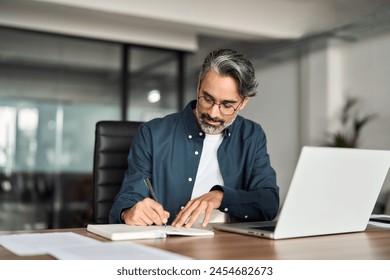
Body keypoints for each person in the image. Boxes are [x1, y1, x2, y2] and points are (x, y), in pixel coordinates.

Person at [109, 48, 279, 228]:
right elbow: (127, 198)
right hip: (169, 244)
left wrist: (221, 197)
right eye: (207, 98)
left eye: (227, 105)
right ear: (198, 86)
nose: (213, 113)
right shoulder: (152, 133)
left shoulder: (252, 135)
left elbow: (268, 203)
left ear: (243, 102)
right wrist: (129, 212)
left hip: (229, 245)